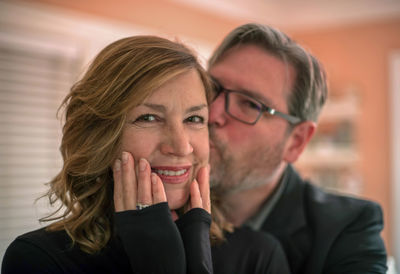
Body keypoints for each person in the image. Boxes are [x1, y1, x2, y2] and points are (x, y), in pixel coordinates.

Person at [2, 35, 290, 273]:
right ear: (101, 135)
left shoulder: (259, 256)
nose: (180, 146)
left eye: (194, 119)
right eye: (149, 118)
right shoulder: (38, 259)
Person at [208, 23, 388, 274]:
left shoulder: (347, 230)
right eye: (211, 88)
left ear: (297, 141)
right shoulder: (155, 198)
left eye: (249, 104)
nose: (211, 113)